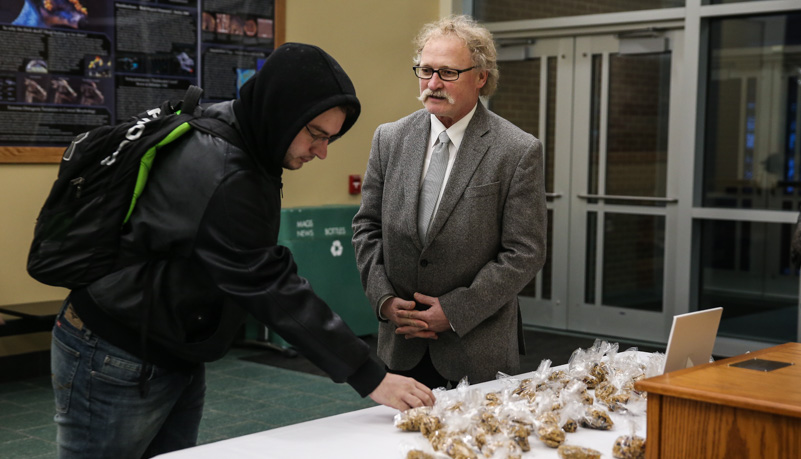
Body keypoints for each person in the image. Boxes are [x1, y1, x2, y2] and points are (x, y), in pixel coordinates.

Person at [51, 43, 434, 458]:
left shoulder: (238, 129)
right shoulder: (223, 172)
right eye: (316, 135)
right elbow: (270, 285)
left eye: (331, 139)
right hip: (117, 353)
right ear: (282, 113)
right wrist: (371, 375)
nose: (321, 152)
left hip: (168, 344)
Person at [352, 15, 547, 390]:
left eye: (447, 73)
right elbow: (366, 226)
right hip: (400, 345)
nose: (433, 84)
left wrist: (455, 311)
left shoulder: (517, 150)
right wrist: (385, 300)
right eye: (425, 71)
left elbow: (525, 251)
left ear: (481, 77)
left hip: (474, 350)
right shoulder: (389, 139)